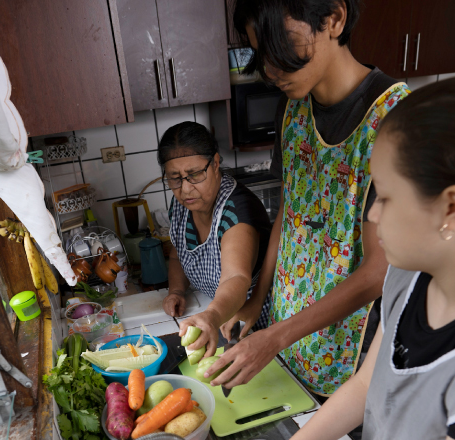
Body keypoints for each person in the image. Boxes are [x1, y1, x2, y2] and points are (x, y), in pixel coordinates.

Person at [206, 0, 411, 395]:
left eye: (279, 47)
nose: (269, 71)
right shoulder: (292, 109)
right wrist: (256, 302)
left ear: (333, 18)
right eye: (260, 54)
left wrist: (275, 337)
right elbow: (291, 214)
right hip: (286, 337)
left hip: (346, 354)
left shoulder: (393, 119)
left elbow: (379, 272)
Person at [291, 77, 455, 440]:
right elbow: (365, 386)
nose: (374, 215)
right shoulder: (404, 276)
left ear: (450, 207)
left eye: (385, 196)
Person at [159, 121, 272, 356]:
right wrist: (177, 291)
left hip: (258, 321)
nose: (186, 189)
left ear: (216, 163)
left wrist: (211, 316)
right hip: (221, 318)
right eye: (174, 178)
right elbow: (178, 252)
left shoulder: (237, 209)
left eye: (195, 175)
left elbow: (236, 277)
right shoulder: (180, 207)